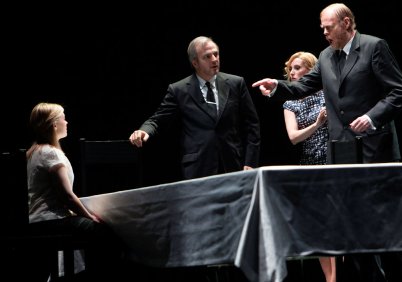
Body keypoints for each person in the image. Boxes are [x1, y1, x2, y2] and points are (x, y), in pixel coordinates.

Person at [253, 3, 402, 282]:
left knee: (389, 226)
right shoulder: (326, 56)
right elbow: (302, 86)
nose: (324, 32)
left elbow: (399, 91)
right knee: (353, 229)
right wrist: (277, 86)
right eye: (322, 27)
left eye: (328, 26)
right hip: (342, 153)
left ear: (346, 23)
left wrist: (373, 117)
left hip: (376, 152)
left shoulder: (374, 47)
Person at [129, 36, 261, 180]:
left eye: (216, 54)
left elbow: (252, 124)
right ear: (195, 63)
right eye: (207, 56)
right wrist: (143, 131)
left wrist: (250, 161)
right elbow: (158, 120)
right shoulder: (179, 90)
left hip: (232, 164)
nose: (214, 59)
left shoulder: (236, 83)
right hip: (198, 167)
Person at [27, 102, 128, 282]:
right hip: (50, 220)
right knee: (104, 232)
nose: (67, 122)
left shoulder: (32, 152)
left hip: (36, 219)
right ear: (54, 124)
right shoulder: (51, 154)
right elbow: (66, 196)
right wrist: (89, 215)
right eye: (63, 118)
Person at [282, 51, 335, 282]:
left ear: (311, 70)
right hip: (310, 164)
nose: (292, 73)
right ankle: (329, 278)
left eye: (298, 68)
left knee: (337, 221)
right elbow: (293, 137)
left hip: (333, 161)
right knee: (320, 224)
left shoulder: (326, 94)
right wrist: (317, 123)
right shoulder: (290, 103)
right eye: (291, 69)